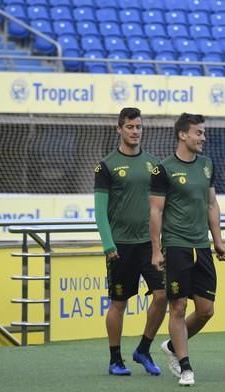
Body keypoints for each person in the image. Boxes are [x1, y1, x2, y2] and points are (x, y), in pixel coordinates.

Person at [149, 113, 225, 386]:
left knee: (206, 310)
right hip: (175, 246)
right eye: (198, 133)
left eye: (203, 133)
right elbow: (156, 211)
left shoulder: (207, 166)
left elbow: (211, 204)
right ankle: (185, 366)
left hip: (201, 247)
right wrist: (157, 249)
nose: (203, 138)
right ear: (183, 135)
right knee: (179, 306)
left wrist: (217, 240)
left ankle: (172, 346)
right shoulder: (163, 169)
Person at [94, 107, 167, 377]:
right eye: (130, 127)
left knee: (162, 296)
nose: (135, 131)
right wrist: (108, 245)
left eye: (138, 127)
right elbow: (100, 210)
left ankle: (144, 349)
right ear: (119, 129)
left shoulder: (153, 164)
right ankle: (116, 359)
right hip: (121, 246)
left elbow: (161, 205)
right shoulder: (106, 165)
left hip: (149, 245)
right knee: (119, 302)